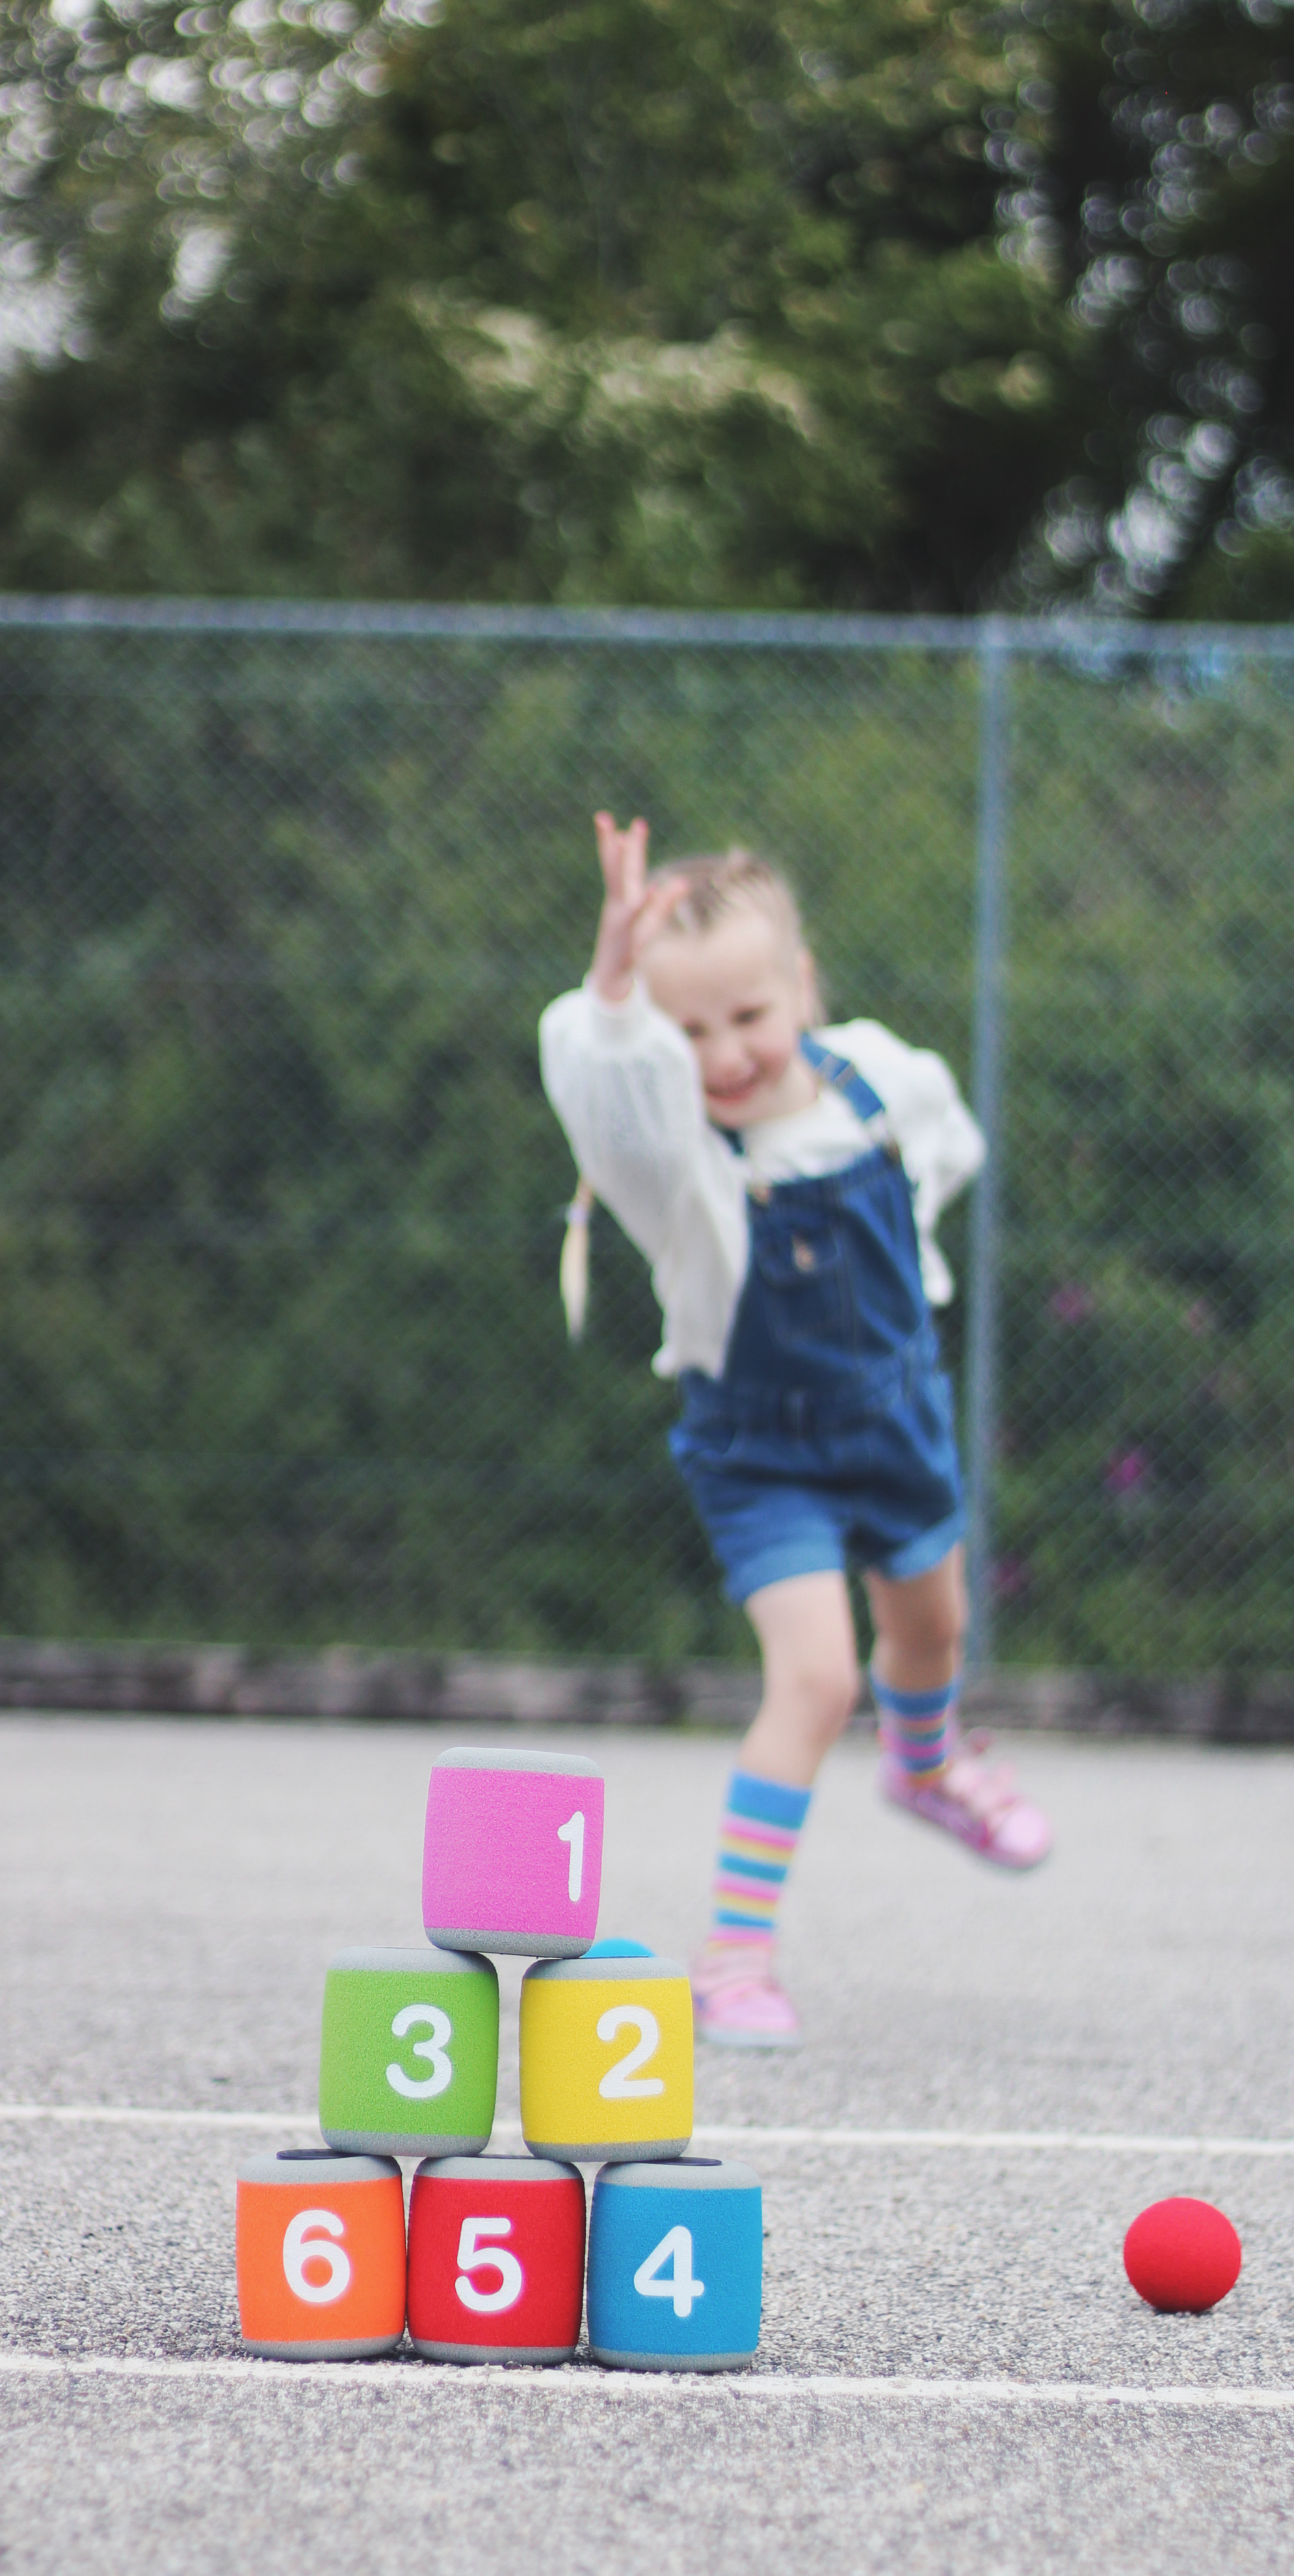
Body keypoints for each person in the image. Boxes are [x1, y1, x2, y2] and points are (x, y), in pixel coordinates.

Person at [539, 815, 1051, 2051]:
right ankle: (734, 1959)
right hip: (761, 1454)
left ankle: (924, 1768)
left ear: (802, 986)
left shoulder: (878, 1078)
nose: (723, 1053)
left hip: (895, 1417)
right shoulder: (676, 1161)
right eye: (687, 1031)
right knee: (818, 1678)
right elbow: (600, 1087)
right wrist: (612, 979)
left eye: (748, 1017)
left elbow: (948, 1146)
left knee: (931, 1629)